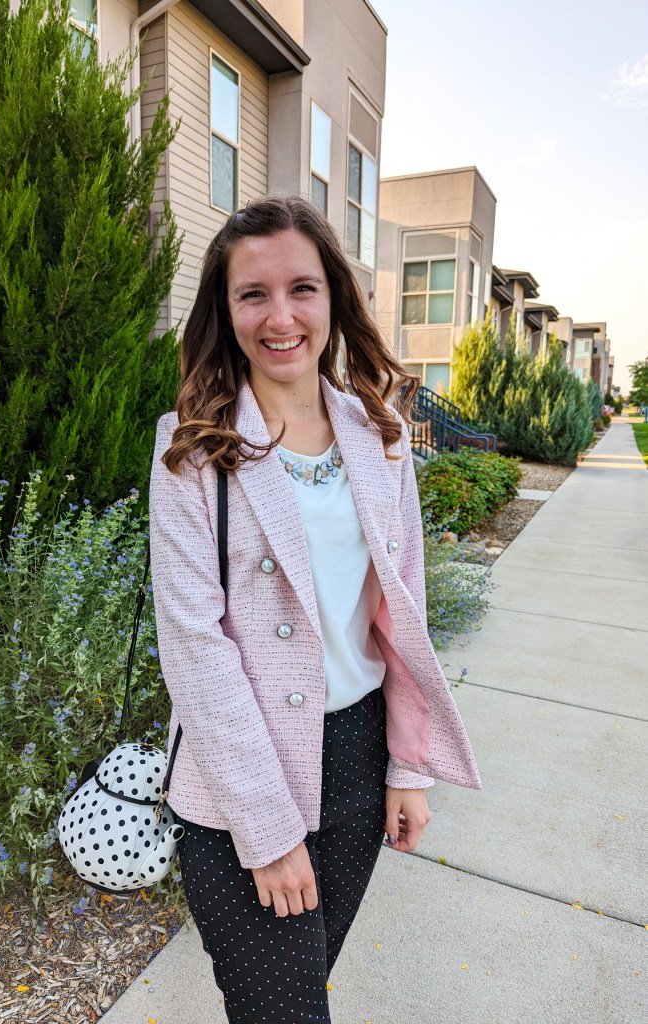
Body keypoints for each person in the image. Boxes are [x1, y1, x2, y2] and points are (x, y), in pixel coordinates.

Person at [148, 195, 480, 1023]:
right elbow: (195, 648)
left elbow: (400, 617)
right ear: (225, 313)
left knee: (295, 994)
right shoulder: (190, 449)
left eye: (302, 287)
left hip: (356, 757)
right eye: (252, 294)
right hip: (240, 779)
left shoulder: (381, 435)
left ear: (333, 297)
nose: (280, 315)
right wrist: (265, 830)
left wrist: (406, 768)